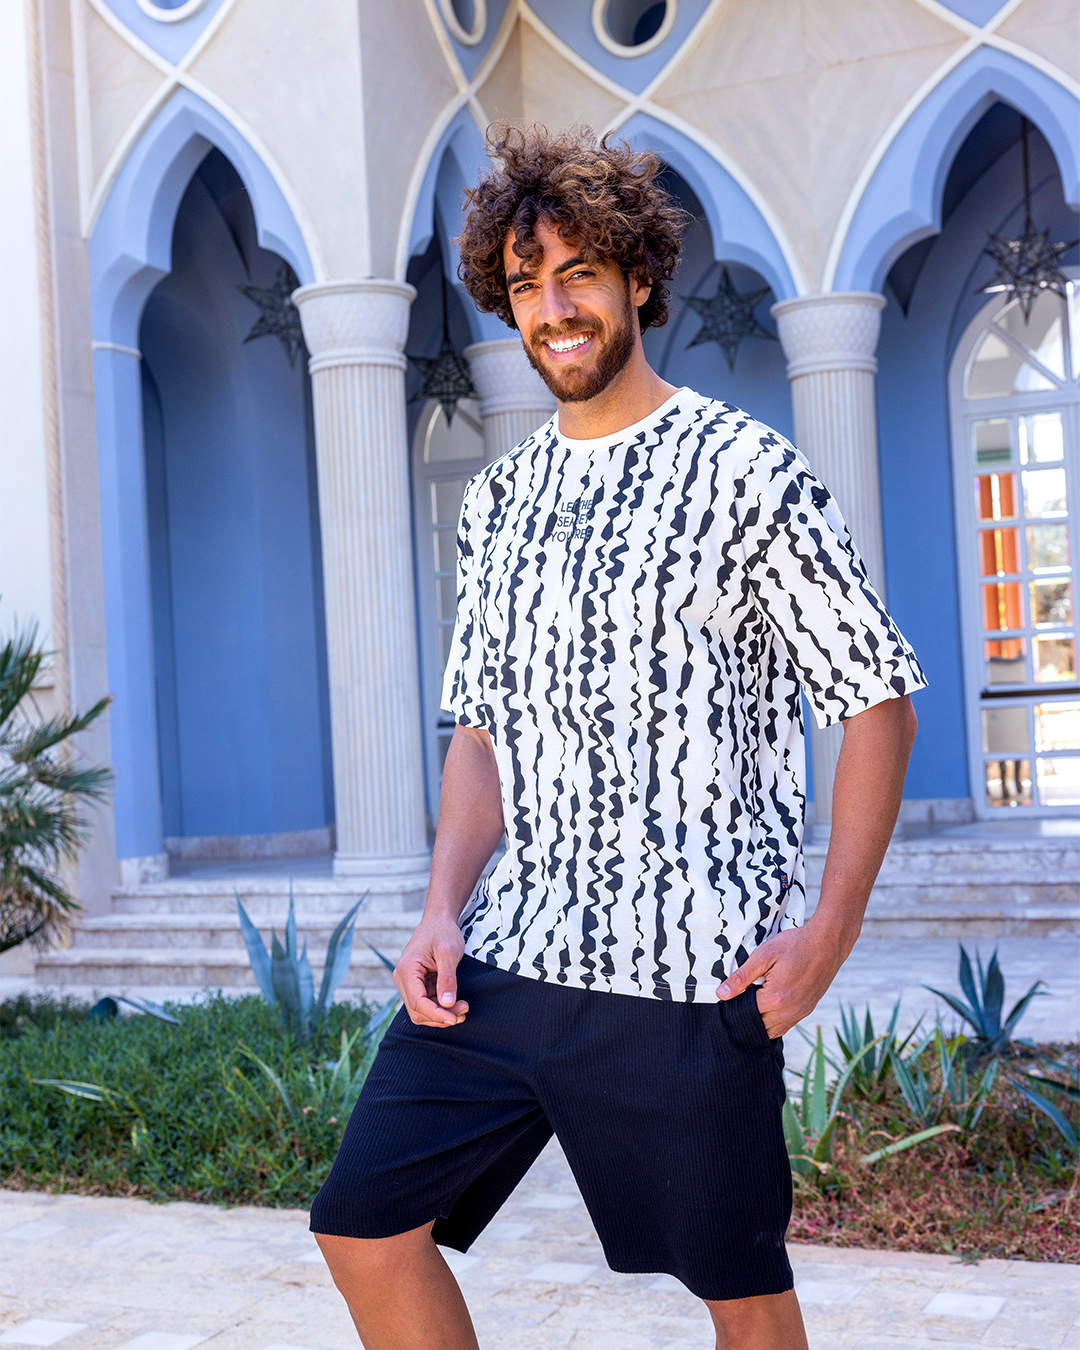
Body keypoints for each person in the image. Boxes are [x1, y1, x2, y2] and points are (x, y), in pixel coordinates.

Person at [309, 125, 925, 1350]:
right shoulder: (500, 499)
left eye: (579, 273)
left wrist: (831, 930)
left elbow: (876, 698)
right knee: (361, 1226)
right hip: (508, 957)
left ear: (637, 278)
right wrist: (440, 910)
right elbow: (480, 732)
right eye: (527, 284)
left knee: (740, 1296)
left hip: (688, 974)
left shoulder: (747, 470)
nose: (554, 309)